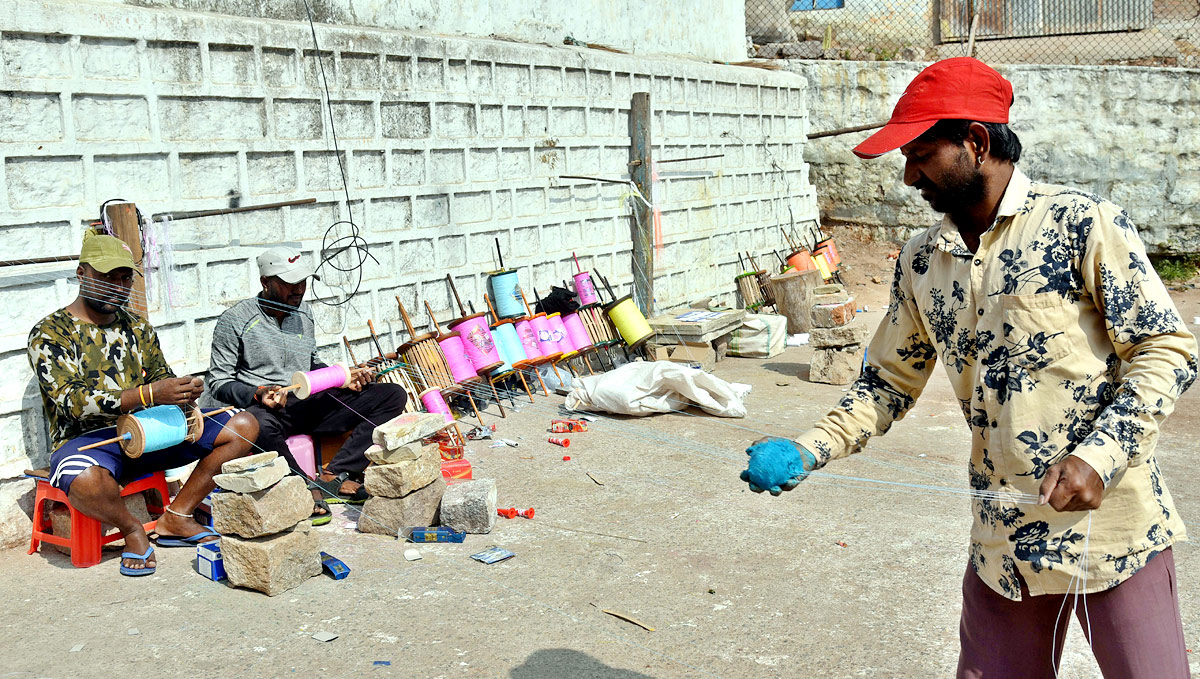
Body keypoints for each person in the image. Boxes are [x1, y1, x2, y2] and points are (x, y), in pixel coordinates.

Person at [741, 57, 1195, 678]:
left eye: (921, 153)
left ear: (975, 143)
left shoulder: (1082, 225)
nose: (907, 175)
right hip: (1002, 545)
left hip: (1114, 530)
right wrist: (810, 448)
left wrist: (1099, 456)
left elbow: (1165, 349)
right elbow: (888, 381)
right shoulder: (923, 261)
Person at [29, 232, 258, 577]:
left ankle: (177, 517)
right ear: (82, 274)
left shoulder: (137, 328)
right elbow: (72, 403)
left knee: (243, 425)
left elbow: (162, 377)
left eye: (124, 278)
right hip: (92, 443)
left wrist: (184, 392)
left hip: (152, 432)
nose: (117, 286)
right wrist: (150, 394)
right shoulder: (51, 332)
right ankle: (133, 529)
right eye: (107, 277)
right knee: (86, 480)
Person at [207, 246, 407, 514]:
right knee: (257, 425)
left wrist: (341, 379)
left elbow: (311, 362)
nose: (299, 290)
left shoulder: (304, 313)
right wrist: (259, 393)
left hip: (311, 403)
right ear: (266, 282)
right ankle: (303, 484)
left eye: (302, 282)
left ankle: (335, 474)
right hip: (270, 411)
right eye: (290, 284)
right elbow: (218, 382)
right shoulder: (235, 320)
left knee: (391, 394)